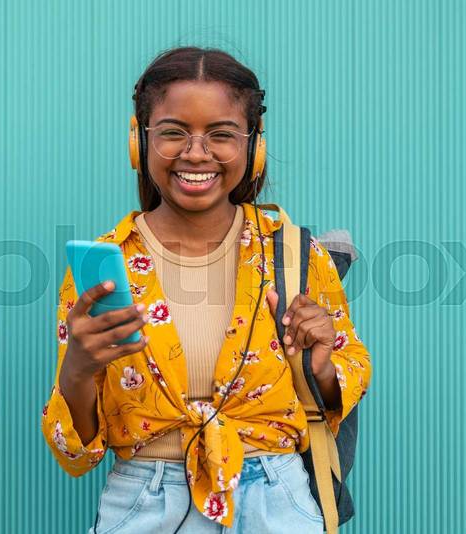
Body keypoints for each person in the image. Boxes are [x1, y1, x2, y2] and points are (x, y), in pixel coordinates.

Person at [41, 46, 372, 534]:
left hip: (276, 502)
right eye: (173, 132)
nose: (196, 153)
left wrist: (321, 366)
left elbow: (349, 373)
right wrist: (78, 369)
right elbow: (75, 453)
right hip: (144, 501)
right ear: (140, 141)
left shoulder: (297, 255)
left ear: (254, 145)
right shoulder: (103, 267)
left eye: (221, 135)